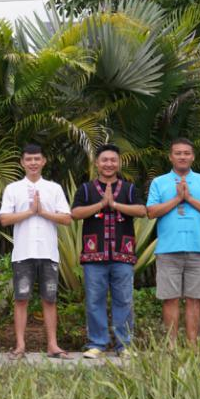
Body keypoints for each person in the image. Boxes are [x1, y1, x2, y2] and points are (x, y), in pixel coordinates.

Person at [70, 143, 148, 359]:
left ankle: (124, 346)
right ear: (97, 163)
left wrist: (114, 205)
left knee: (124, 300)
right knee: (94, 300)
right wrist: (101, 204)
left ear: (119, 163)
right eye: (104, 160)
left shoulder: (129, 189)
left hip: (123, 255)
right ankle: (97, 344)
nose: (109, 164)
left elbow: (141, 210)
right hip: (93, 255)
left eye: (113, 160)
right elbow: (75, 213)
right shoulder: (86, 189)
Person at [0, 144, 74, 360]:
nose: (33, 163)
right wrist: (30, 211)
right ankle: (20, 346)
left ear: (44, 161)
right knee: (21, 299)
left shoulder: (53, 188)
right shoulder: (13, 189)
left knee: (50, 299)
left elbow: (66, 218)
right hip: (23, 253)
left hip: (49, 253)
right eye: (29, 159)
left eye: (36, 159)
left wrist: (43, 212)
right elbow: (4, 219)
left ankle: (52, 345)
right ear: (22, 162)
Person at [146, 137, 200, 344]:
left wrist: (189, 199)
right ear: (170, 157)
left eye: (186, 153)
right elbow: (151, 212)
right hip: (168, 249)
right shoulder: (159, 182)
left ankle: (192, 347)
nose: (182, 157)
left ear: (193, 157)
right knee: (169, 298)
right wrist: (177, 199)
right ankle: (171, 348)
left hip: (198, 249)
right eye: (178, 153)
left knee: (194, 299)